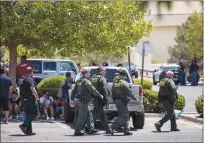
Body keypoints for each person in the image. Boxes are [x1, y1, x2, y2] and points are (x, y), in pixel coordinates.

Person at [70, 68, 104, 136]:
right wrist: (100, 95)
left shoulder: (79, 81)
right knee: (82, 116)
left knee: (89, 115)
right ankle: (77, 130)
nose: (90, 74)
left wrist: (72, 99)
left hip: (81, 100)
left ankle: (91, 129)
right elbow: (93, 90)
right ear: (86, 73)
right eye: (89, 73)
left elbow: (74, 91)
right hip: (84, 101)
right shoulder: (86, 81)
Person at [110, 68, 138, 136]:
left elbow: (112, 93)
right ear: (124, 75)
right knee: (125, 115)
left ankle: (126, 130)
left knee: (124, 115)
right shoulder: (124, 83)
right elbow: (129, 92)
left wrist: (115, 100)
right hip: (122, 101)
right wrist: (135, 98)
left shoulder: (115, 83)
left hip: (117, 100)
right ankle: (113, 125)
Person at [90, 67, 111, 134]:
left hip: (94, 98)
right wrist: (106, 98)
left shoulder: (92, 78)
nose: (105, 72)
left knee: (102, 115)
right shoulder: (102, 79)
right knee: (95, 115)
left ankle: (108, 129)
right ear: (100, 71)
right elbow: (104, 89)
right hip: (100, 99)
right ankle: (88, 128)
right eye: (104, 71)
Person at [19, 67, 40, 136]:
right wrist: (37, 98)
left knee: (28, 115)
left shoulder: (22, 79)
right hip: (30, 99)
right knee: (35, 112)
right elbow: (33, 89)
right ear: (31, 72)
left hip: (23, 99)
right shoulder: (30, 79)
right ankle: (23, 125)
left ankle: (29, 131)